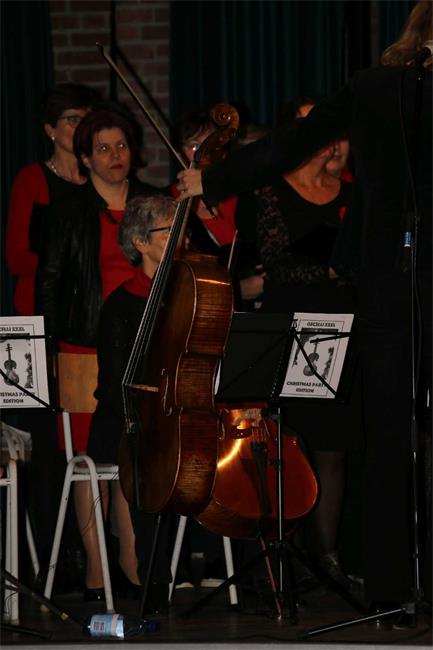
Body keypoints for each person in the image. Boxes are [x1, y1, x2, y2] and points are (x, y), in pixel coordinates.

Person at [177, 0, 432, 622]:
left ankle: (398, 586)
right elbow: (294, 142)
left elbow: (295, 144)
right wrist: (216, 180)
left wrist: (217, 181)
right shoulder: (379, 88)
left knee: (400, 433)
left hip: (392, 277)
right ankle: (395, 586)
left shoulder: (378, 88)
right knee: (390, 432)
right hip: (393, 275)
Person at [40, 107, 157, 600]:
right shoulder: (70, 208)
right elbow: (49, 282)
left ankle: (131, 560)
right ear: (85, 158)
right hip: (84, 349)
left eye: (121, 145)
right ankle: (95, 566)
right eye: (103, 148)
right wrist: (47, 351)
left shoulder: (151, 204)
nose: (115, 155)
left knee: (132, 455)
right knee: (92, 460)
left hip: (142, 346)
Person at [255, 96, 363, 597]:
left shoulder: (353, 193)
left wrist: (344, 269)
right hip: (289, 325)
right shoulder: (270, 190)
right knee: (287, 445)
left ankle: (330, 556)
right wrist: (333, 268)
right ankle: (287, 558)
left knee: (332, 446)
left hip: (342, 325)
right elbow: (275, 264)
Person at [5, 82, 100, 589]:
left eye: (85, 118)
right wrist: (64, 257)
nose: (79, 127)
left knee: (87, 443)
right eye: (70, 119)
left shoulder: (98, 179)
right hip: (39, 324)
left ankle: (94, 555)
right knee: (47, 446)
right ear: (49, 129)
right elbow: (17, 257)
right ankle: (51, 561)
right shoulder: (33, 179)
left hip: (87, 325)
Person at [85, 194, 177, 612]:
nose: (180, 237)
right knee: (149, 455)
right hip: (124, 420)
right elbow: (115, 387)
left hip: (175, 414)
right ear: (140, 243)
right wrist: (149, 415)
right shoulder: (120, 305)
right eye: (169, 230)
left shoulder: (189, 293)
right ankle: (153, 576)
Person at [172, 108, 266, 311]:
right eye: (194, 145)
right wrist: (239, 289)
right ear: (179, 153)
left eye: (212, 142)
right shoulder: (169, 204)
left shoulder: (247, 197)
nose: (205, 152)